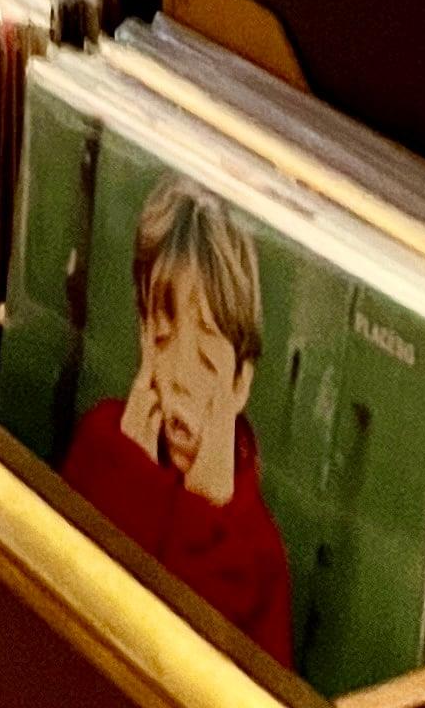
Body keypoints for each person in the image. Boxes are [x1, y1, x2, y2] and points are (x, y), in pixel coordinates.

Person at [57, 179, 295, 666]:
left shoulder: (256, 551)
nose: (182, 379)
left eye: (207, 361)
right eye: (164, 340)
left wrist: (205, 516)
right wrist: (130, 478)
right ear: (144, 338)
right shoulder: (103, 445)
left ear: (239, 383)